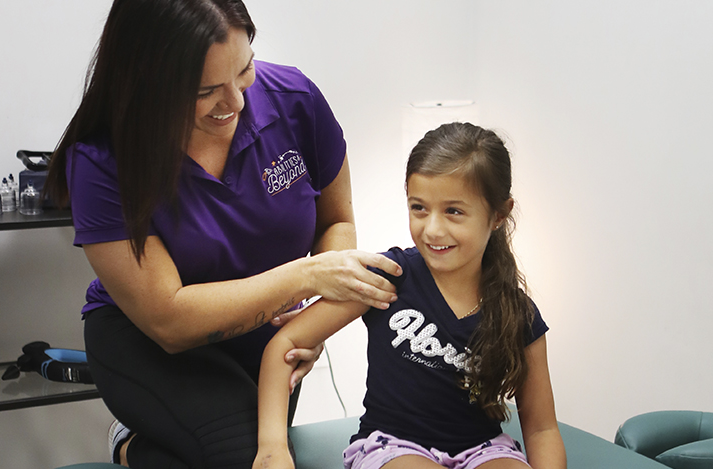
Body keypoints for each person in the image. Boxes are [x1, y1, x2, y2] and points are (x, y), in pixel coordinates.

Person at [43, 0, 401, 467]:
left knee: (258, 453)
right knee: (245, 454)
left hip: (265, 347)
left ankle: (136, 450)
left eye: (245, 68)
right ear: (148, 82)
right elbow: (169, 319)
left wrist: (312, 326)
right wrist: (308, 277)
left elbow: (336, 222)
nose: (235, 101)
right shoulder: (102, 161)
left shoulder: (294, 99)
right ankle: (134, 435)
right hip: (151, 346)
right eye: (205, 90)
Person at [253, 122, 567, 469]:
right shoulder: (387, 277)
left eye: (454, 211)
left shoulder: (517, 313)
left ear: (499, 214)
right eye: (419, 207)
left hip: (485, 450)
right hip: (393, 447)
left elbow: (540, 429)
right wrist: (271, 448)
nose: (432, 229)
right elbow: (284, 345)